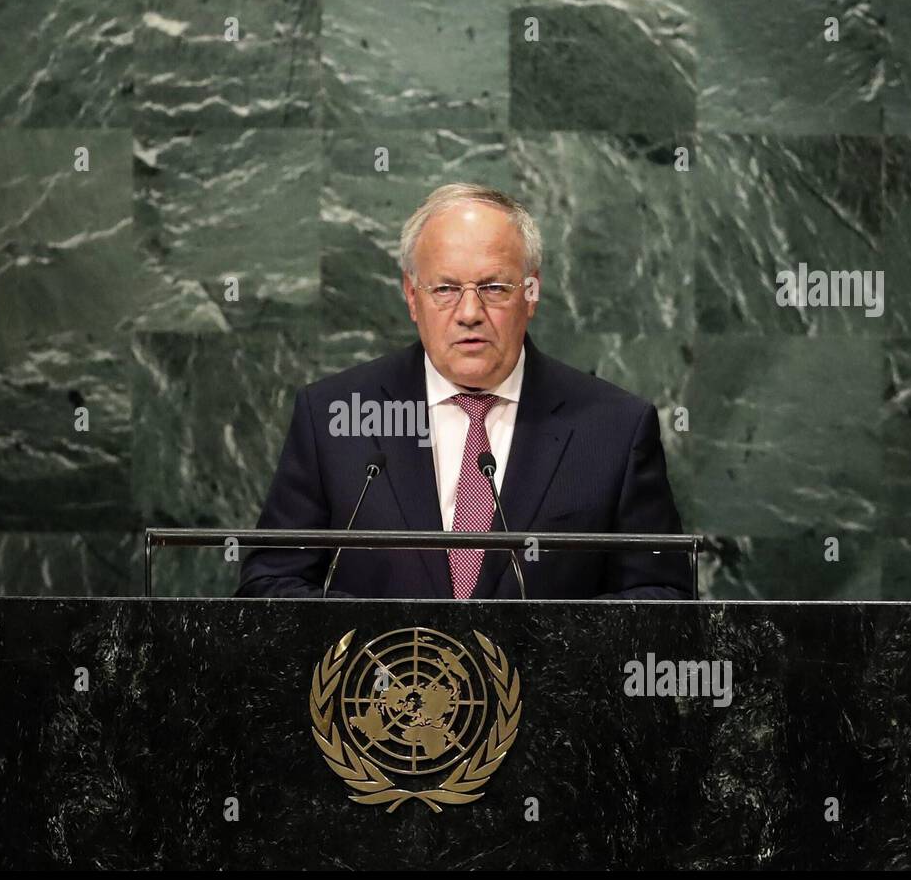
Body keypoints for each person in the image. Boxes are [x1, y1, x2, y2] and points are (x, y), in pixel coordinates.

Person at [235, 182, 691, 599]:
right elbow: (269, 585)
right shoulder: (336, 417)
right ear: (412, 296)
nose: (469, 312)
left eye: (494, 287)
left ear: (531, 293)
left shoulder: (614, 428)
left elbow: (663, 600)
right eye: (446, 288)